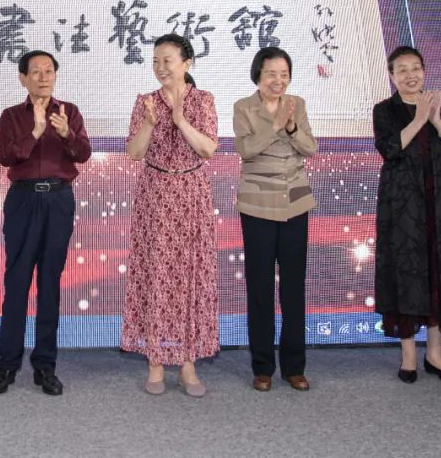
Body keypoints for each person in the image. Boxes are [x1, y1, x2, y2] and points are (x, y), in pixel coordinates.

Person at [0, 50, 92, 396]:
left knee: (50, 283)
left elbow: (83, 154)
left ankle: (45, 365)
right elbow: (5, 156)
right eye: (36, 71)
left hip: (58, 200)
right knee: (17, 282)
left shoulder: (69, 112)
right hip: (23, 200)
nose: (43, 77)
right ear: (23, 78)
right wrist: (34, 132)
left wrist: (66, 134)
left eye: (49, 71)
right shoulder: (11, 116)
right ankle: (6, 365)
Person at [122, 34, 219, 397]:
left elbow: (207, 148)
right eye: (156, 61)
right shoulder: (144, 102)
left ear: (187, 63)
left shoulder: (203, 100)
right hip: (155, 196)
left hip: (191, 195)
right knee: (156, 275)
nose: (161, 68)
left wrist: (180, 119)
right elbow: (134, 153)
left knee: (190, 276)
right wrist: (149, 123)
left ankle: (188, 363)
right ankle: (156, 361)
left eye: (168, 60)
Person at [372, 46, 441, 384]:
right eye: (402, 70)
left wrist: (435, 120)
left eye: (415, 68)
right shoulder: (384, 110)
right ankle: (408, 358)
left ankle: (435, 354)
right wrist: (418, 119)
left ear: (424, 71)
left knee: (439, 270)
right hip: (403, 203)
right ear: (392, 76)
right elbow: (389, 148)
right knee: (406, 271)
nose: (410, 75)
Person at [233, 47, 318, 392]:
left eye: (284, 74)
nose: (278, 80)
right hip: (257, 206)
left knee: (294, 287)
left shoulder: (297, 104)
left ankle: (294, 366)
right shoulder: (244, 107)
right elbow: (246, 149)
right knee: (260, 288)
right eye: (271, 73)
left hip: (295, 203)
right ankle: (263, 367)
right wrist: (275, 127)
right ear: (258, 74)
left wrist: (292, 126)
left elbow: (310, 148)